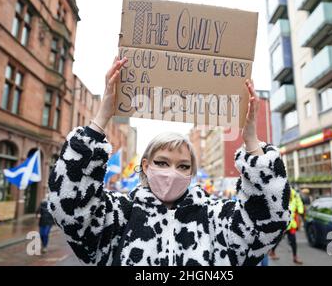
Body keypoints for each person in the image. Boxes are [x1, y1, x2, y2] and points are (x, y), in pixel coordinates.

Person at [48, 57, 291, 266]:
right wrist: (103, 117)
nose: (172, 173)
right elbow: (68, 207)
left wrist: (251, 140)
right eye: (162, 163)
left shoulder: (216, 218)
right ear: (145, 166)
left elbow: (269, 221)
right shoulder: (118, 216)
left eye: (183, 166)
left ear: (192, 172)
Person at [269, 187, 304, 264]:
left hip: (291, 224)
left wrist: (300, 211)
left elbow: (299, 202)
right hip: (282, 224)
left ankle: (295, 257)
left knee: (293, 241)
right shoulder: (279, 193)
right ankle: (272, 252)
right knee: (278, 239)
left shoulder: (294, 194)